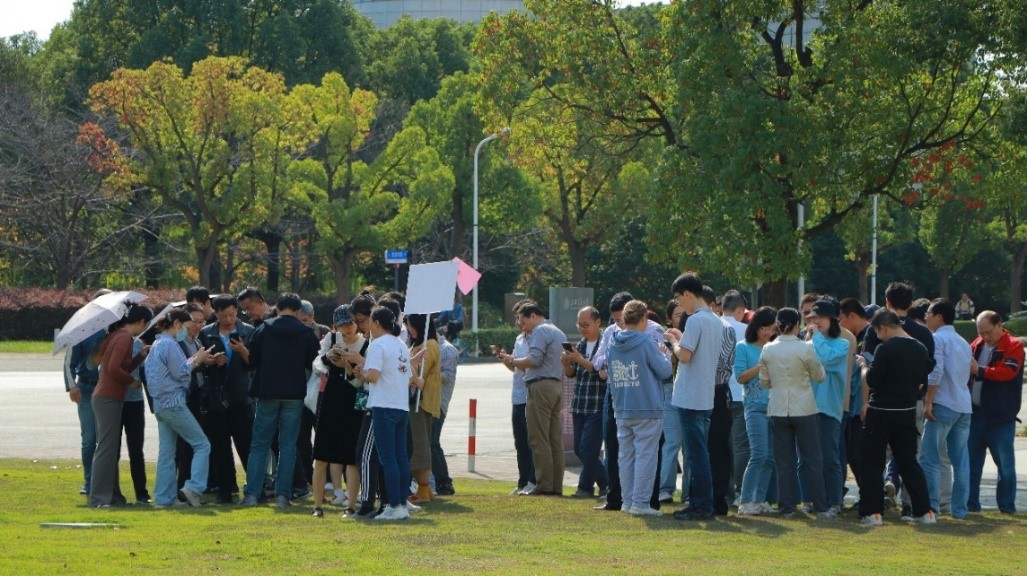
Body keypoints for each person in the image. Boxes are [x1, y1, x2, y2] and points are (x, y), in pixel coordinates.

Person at [856, 309, 936, 526]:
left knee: (872, 462)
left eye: (877, 332)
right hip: (907, 411)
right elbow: (923, 378)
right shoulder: (920, 348)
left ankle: (873, 512)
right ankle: (925, 511)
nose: (877, 337)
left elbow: (872, 380)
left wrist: (864, 366)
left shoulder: (884, 349)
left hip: (880, 411)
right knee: (909, 462)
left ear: (883, 327)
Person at [241, 293, 320, 508]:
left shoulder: (263, 330)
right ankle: (283, 495)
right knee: (288, 446)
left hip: (266, 392)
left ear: (277, 308)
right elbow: (313, 363)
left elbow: (253, 361)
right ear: (298, 311)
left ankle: (252, 494)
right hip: (294, 394)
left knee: (259, 444)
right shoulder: (305, 333)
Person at [759, 307, 834, 520]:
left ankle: (787, 506)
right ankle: (820, 506)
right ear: (796, 326)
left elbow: (764, 382)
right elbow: (820, 376)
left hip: (778, 409)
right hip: (804, 408)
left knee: (784, 461)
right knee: (812, 459)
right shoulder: (805, 348)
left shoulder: (767, 349)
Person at [664, 273, 721, 521]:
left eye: (679, 298)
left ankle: (701, 505)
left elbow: (685, 356)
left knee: (696, 455)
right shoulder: (715, 319)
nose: (679, 303)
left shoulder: (696, 320)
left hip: (690, 396)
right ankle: (702, 503)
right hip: (705, 394)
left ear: (687, 294)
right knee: (700, 453)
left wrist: (673, 342)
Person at [608, 300, 673, 516]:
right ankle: (641, 503)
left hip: (622, 406)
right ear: (644, 318)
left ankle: (627, 502)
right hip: (647, 407)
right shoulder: (645, 341)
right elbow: (664, 371)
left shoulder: (612, 342)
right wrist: (664, 353)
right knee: (646, 455)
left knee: (626, 456)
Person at [499, 303, 568, 497]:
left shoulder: (540, 330)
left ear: (533, 316)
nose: (522, 326)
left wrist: (512, 360)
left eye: (523, 321)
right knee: (554, 440)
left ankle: (543, 484)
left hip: (540, 387)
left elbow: (534, 360)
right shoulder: (557, 331)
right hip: (555, 386)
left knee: (538, 438)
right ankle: (555, 485)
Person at [146, 309, 213, 508]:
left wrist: (194, 359)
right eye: (186, 326)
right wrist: (197, 360)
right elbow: (181, 373)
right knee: (202, 444)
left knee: (167, 453)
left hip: (161, 404)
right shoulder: (170, 344)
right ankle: (193, 488)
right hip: (173, 402)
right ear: (177, 324)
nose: (187, 330)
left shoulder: (158, 344)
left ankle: (163, 498)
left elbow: (173, 370)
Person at [89, 303, 153, 507]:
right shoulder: (124, 337)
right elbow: (113, 368)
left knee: (108, 449)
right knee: (106, 450)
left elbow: (120, 365)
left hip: (108, 397)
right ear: (141, 321)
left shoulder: (117, 335)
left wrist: (139, 357)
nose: (146, 328)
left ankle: (113, 496)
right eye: (146, 324)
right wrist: (131, 381)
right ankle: (99, 498)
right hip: (108, 397)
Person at [361, 305, 421, 521]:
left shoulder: (377, 345)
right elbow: (408, 376)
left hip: (383, 405)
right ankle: (401, 502)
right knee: (400, 457)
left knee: (388, 459)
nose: (368, 326)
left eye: (370, 322)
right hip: (401, 406)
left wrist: (362, 372)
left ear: (377, 323)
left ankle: (394, 505)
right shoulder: (401, 345)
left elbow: (373, 376)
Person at [310, 305, 367, 518]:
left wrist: (348, 365)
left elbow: (359, 382)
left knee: (351, 458)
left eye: (349, 323)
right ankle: (317, 506)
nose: (346, 328)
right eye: (342, 325)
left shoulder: (366, 345)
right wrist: (330, 356)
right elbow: (317, 364)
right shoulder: (331, 338)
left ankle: (350, 506)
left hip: (353, 403)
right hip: (330, 400)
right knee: (321, 456)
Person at [198, 295, 255, 504]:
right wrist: (212, 362)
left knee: (246, 445)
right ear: (216, 313)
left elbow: (254, 363)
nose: (229, 319)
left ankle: (254, 488)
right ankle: (225, 489)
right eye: (224, 316)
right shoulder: (206, 333)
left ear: (237, 312)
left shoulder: (248, 331)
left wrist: (242, 350)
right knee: (220, 446)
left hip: (241, 396)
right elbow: (200, 365)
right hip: (216, 397)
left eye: (232, 314)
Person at [919, 298, 973, 519]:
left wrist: (929, 401)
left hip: (943, 403)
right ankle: (960, 510)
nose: (926, 317)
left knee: (929, 457)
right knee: (960, 461)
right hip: (964, 405)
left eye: (929, 313)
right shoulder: (963, 341)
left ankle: (932, 506)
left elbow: (936, 372)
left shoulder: (937, 339)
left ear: (939, 316)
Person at [967, 311, 1024, 514]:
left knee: (1005, 466)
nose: (985, 336)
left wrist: (980, 371)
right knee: (971, 464)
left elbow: (1007, 372)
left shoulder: (1014, 346)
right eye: (981, 332)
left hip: (1001, 417)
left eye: (988, 332)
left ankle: (1007, 507)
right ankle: (970, 504)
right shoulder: (977, 344)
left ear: (1000, 325)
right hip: (975, 414)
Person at [804, 298, 851, 514]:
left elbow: (825, 358)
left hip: (830, 408)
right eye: (814, 317)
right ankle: (809, 500)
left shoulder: (842, 344)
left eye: (821, 317)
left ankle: (834, 502)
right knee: (806, 458)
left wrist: (815, 337)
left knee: (830, 457)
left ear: (833, 320)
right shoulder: (809, 343)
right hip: (807, 406)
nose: (817, 321)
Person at [735, 307, 777, 516]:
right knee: (758, 454)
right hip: (754, 407)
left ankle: (759, 500)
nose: (768, 332)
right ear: (755, 327)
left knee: (770, 457)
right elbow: (740, 377)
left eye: (771, 328)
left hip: (775, 407)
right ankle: (745, 500)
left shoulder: (774, 347)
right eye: (764, 328)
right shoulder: (743, 346)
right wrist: (761, 364)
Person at [562, 306, 608, 498]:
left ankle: (585, 487)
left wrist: (579, 359)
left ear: (598, 322)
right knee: (580, 449)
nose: (582, 329)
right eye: (579, 325)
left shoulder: (606, 343)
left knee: (588, 448)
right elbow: (572, 374)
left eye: (586, 325)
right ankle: (606, 483)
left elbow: (600, 372)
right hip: (579, 403)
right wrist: (567, 364)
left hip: (597, 403)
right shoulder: (580, 344)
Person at [499, 299, 537, 496]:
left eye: (521, 319)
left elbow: (531, 363)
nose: (519, 323)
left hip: (532, 396)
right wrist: (507, 360)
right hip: (518, 396)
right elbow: (515, 367)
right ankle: (522, 481)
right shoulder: (520, 339)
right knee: (520, 443)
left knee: (532, 443)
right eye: (517, 319)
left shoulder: (538, 337)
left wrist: (514, 360)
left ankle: (533, 480)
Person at [405, 313, 442, 504]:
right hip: (412, 402)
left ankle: (423, 488)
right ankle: (424, 489)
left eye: (412, 325)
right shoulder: (415, 345)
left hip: (421, 402)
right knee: (417, 443)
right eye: (408, 325)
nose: (410, 329)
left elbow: (420, 376)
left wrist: (408, 363)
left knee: (420, 445)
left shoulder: (430, 345)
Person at [720, 290, 750, 507]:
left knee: (720, 445)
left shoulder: (713, 326)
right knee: (740, 446)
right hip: (740, 393)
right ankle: (740, 491)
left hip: (716, 392)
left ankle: (724, 491)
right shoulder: (746, 330)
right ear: (740, 309)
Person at [658, 299, 688, 504]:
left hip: (690, 392)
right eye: (678, 315)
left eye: (684, 314)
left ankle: (688, 492)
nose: (682, 318)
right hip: (670, 391)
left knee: (689, 446)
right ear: (669, 318)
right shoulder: (664, 339)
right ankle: (665, 489)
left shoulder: (692, 337)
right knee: (672, 442)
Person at [432, 334, 459, 496]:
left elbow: (447, 376)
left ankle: (444, 482)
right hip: (427, 402)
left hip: (438, 404)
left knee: (432, 442)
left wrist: (425, 372)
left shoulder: (447, 349)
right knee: (428, 443)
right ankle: (436, 482)